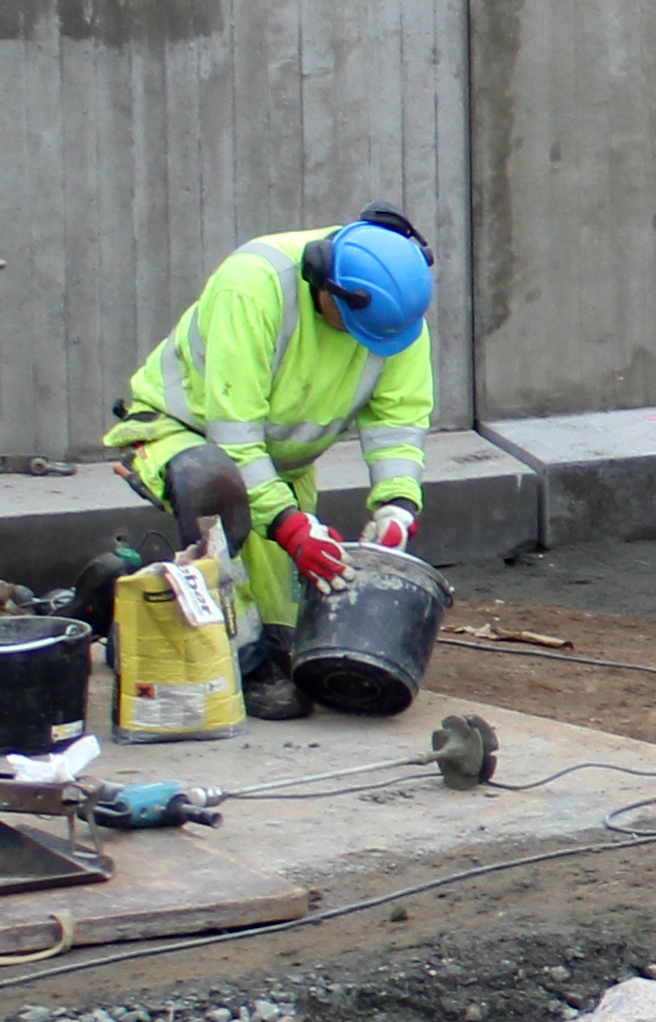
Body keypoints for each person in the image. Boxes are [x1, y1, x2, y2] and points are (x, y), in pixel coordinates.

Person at [103, 205, 435, 719]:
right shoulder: (254, 286)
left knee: (293, 643)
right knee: (216, 491)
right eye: (349, 325)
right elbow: (233, 438)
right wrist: (289, 526)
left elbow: (399, 421)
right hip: (182, 433)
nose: (358, 340)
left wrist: (397, 505)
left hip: (278, 469)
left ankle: (128, 609)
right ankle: (247, 663)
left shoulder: (392, 315)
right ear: (325, 285)